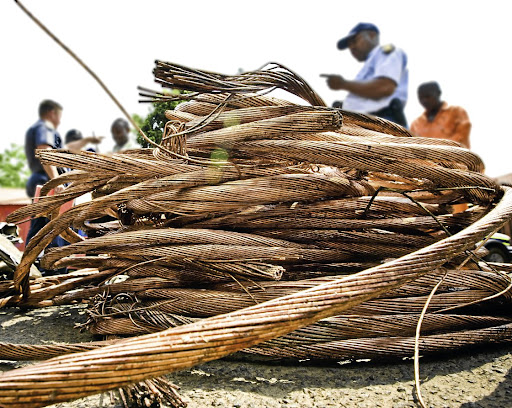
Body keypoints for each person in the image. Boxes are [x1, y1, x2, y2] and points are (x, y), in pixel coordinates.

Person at [321, 22, 409, 127]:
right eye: (349, 45)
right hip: (365, 123)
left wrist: (343, 84)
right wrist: (346, 106)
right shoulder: (370, 65)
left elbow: (385, 87)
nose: (351, 47)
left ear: (372, 35)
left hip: (383, 122)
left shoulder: (385, 52)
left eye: (354, 41)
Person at [410, 81, 471, 148]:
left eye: (428, 96)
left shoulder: (457, 113)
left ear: (438, 93)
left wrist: (431, 151)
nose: (424, 101)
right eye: (421, 98)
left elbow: (461, 139)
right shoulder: (416, 125)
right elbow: (412, 150)